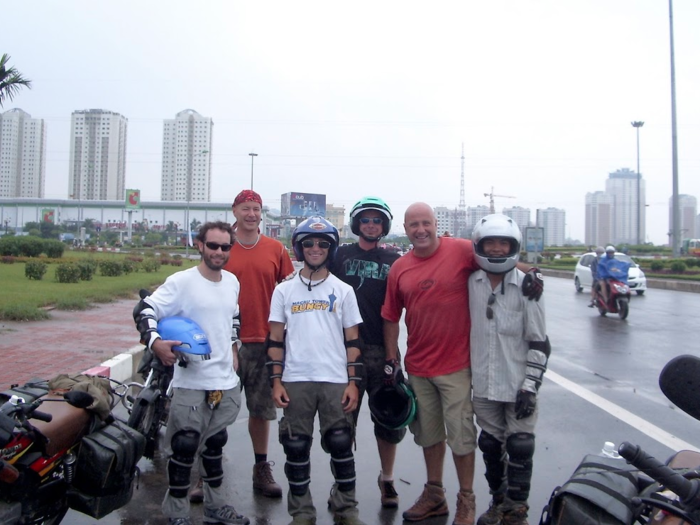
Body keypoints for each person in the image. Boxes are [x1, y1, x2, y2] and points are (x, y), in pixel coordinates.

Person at [381, 203, 543, 525]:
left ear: (435, 224)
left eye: (425, 223)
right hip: (418, 367)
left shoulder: (460, 250)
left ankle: (466, 499)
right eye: (413, 225)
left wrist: (532, 272)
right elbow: (390, 316)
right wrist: (391, 359)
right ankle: (435, 494)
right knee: (428, 436)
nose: (420, 230)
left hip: (456, 366)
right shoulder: (400, 267)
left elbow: (498, 257)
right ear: (405, 227)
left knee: (462, 438)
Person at [133, 221, 249, 525]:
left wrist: (234, 348)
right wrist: (156, 343)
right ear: (199, 245)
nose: (219, 252)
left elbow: (233, 317)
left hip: (224, 382)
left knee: (214, 447)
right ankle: (177, 514)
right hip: (191, 383)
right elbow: (145, 310)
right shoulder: (181, 282)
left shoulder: (232, 282)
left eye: (225, 247)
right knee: (184, 449)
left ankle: (215, 509)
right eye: (213, 245)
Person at [192, 189, 293, 501]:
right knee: (213, 409)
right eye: (245, 208)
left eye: (256, 209)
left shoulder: (275, 249)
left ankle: (261, 468)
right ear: (234, 211)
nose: (251, 214)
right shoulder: (222, 247)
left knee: (261, 411)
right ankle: (202, 473)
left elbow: (289, 293)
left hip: (264, 343)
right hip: (224, 344)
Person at [267, 216, 366, 525]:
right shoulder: (284, 291)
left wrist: (353, 383)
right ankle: (301, 512)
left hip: (335, 379)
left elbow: (354, 342)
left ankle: (346, 507)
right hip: (295, 379)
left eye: (323, 244)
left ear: (331, 249)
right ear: (299, 247)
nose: (315, 248)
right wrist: (275, 382)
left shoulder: (344, 290)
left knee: (340, 442)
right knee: (296, 447)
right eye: (308, 243)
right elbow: (274, 340)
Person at [468, 214, 549, 525]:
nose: (498, 249)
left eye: (504, 243)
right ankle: (498, 500)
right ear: (480, 245)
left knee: (520, 445)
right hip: (485, 382)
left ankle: (516, 509)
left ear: (514, 246)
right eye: (491, 242)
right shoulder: (470, 282)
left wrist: (531, 384)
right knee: (489, 443)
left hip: (518, 384)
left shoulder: (530, 288)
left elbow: (540, 341)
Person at [329, 196, 405, 508]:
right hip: (344, 351)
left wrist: (392, 356)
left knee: (389, 420)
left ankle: (387, 479)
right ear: (357, 224)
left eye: (376, 220)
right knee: (342, 424)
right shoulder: (340, 255)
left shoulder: (394, 260)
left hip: (380, 350)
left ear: (384, 225)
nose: (371, 225)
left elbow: (396, 311)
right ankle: (342, 485)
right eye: (365, 220)